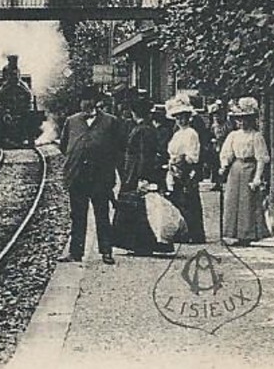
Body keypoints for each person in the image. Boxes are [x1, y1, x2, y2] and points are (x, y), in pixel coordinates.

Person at [59, 89, 129, 264]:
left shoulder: (111, 122)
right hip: (77, 177)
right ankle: (75, 252)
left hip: (101, 177)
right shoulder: (71, 121)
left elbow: (120, 148)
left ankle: (106, 251)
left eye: (89, 100)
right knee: (77, 216)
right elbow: (63, 146)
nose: (86, 104)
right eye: (83, 100)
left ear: (96, 103)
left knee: (102, 215)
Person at [114, 96, 172, 255]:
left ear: (134, 112)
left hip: (137, 172)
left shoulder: (143, 130)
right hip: (135, 170)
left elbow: (144, 156)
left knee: (138, 207)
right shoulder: (147, 128)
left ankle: (141, 244)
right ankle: (140, 244)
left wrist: (141, 177)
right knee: (139, 207)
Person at [218, 96, 273, 244]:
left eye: (245, 119)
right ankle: (232, 232)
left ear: (251, 120)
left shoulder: (256, 136)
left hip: (250, 167)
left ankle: (247, 234)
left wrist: (257, 177)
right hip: (236, 168)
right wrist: (224, 165)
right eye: (239, 119)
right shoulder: (233, 135)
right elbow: (227, 152)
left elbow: (261, 158)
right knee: (232, 200)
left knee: (247, 202)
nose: (241, 122)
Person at [164, 93, 207, 244]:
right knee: (177, 200)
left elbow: (193, 156)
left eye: (183, 117)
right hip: (175, 168)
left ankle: (195, 233)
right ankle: (182, 231)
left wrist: (181, 160)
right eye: (177, 117)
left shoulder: (191, 134)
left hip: (187, 169)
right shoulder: (177, 134)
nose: (180, 120)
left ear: (189, 117)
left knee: (189, 200)